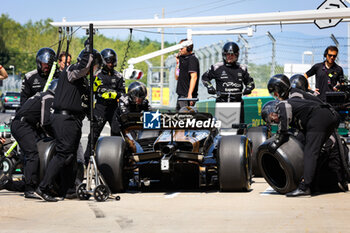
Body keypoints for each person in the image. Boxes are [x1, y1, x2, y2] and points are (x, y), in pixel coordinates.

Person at [36, 44, 102, 202]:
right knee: (63, 154)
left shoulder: (83, 82)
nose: (96, 70)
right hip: (64, 119)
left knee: (70, 157)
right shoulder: (71, 71)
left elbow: (85, 103)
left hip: (74, 120)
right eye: (96, 66)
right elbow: (84, 66)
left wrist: (92, 116)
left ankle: (69, 189)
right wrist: (89, 49)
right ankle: (43, 187)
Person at [266, 74, 340, 197]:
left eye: (276, 93)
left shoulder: (287, 101)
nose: (276, 97)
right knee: (315, 151)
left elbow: (285, 118)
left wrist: (278, 140)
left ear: (281, 89)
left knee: (310, 151)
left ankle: (305, 187)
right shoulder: (296, 99)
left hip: (320, 117)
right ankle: (313, 185)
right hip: (328, 115)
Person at [0, 80, 58, 198]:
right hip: (23, 125)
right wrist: (56, 136)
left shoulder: (43, 95)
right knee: (32, 154)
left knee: (31, 155)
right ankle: (29, 189)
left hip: (23, 124)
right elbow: (45, 122)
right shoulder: (48, 97)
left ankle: (9, 183)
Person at [84, 48, 125, 165]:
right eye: (108, 61)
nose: (110, 64)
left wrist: (114, 94)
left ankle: (116, 161)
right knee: (93, 135)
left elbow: (123, 94)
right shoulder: (96, 75)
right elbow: (91, 92)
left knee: (116, 134)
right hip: (100, 108)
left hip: (114, 109)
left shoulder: (119, 76)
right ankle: (87, 161)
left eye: (112, 61)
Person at [175, 39, 199, 110]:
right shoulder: (182, 59)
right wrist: (177, 63)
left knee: (185, 117)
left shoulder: (192, 59)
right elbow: (177, 77)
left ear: (188, 48)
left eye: (182, 48)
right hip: (181, 95)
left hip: (186, 96)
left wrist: (190, 94)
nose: (180, 50)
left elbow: (194, 77)